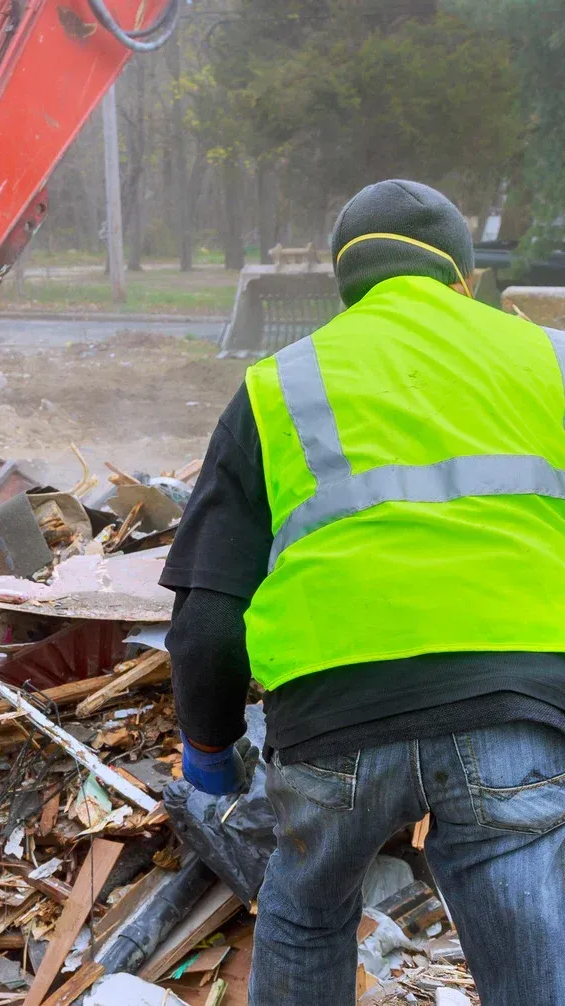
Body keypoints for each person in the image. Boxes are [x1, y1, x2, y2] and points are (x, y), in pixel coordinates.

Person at [162, 179, 565, 1005]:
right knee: (531, 944)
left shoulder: (279, 386)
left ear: (346, 286)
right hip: (515, 710)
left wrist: (207, 754)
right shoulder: (552, 359)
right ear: (464, 279)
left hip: (332, 719)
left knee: (306, 914)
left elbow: (207, 623)